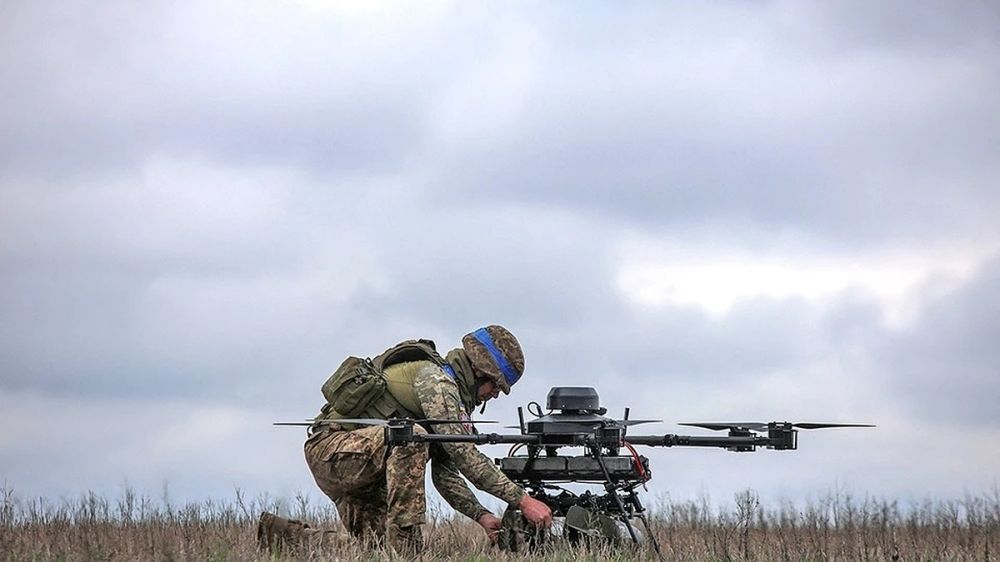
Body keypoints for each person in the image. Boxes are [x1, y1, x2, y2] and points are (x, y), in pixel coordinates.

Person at [268, 325, 553, 555]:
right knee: (411, 436)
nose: (495, 395)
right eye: (496, 385)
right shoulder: (437, 383)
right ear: (480, 371)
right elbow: (464, 454)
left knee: (376, 553)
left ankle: (277, 534)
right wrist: (523, 500)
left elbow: (446, 474)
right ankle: (408, 547)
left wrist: (482, 516)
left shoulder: (453, 399)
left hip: (361, 463)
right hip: (333, 452)